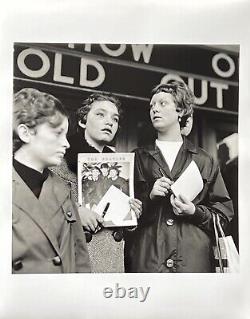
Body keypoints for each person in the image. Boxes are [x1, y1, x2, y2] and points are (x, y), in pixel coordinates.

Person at [124, 80, 234, 273]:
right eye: (151, 106)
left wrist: (194, 211)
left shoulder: (204, 160)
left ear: (181, 111)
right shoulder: (136, 158)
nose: (154, 109)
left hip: (192, 263)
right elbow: (122, 216)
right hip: (148, 261)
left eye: (162, 103)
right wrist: (149, 196)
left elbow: (223, 217)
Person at [54, 92, 142, 273]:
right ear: (83, 121)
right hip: (74, 259)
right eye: (100, 114)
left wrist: (131, 214)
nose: (109, 122)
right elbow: (39, 207)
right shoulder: (58, 158)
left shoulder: (121, 167)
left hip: (113, 262)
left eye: (115, 119)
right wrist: (76, 212)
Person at [12, 88, 91, 274]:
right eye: (57, 134)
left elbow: (80, 258)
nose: (67, 143)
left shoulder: (63, 189)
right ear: (25, 133)